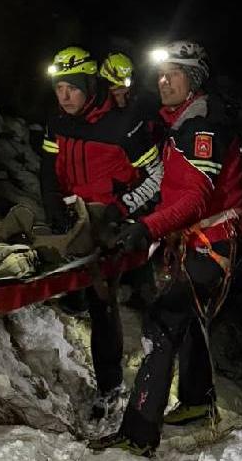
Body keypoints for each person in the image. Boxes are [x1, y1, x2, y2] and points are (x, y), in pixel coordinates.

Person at [91, 40, 242, 455]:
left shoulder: (203, 127)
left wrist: (148, 226)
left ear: (192, 80)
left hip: (211, 239)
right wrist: (122, 208)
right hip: (198, 236)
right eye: (160, 74)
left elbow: (195, 199)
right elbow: (165, 180)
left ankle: (138, 435)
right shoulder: (180, 120)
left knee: (161, 326)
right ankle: (197, 402)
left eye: (173, 74)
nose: (163, 81)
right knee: (192, 318)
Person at [38, 46, 165, 418]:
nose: (65, 96)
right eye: (59, 88)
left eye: (72, 88)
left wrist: (123, 210)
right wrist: (52, 206)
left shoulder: (123, 124)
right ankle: (74, 299)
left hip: (116, 221)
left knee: (103, 300)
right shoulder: (57, 121)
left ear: (90, 85)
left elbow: (157, 176)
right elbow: (49, 170)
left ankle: (110, 388)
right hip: (77, 217)